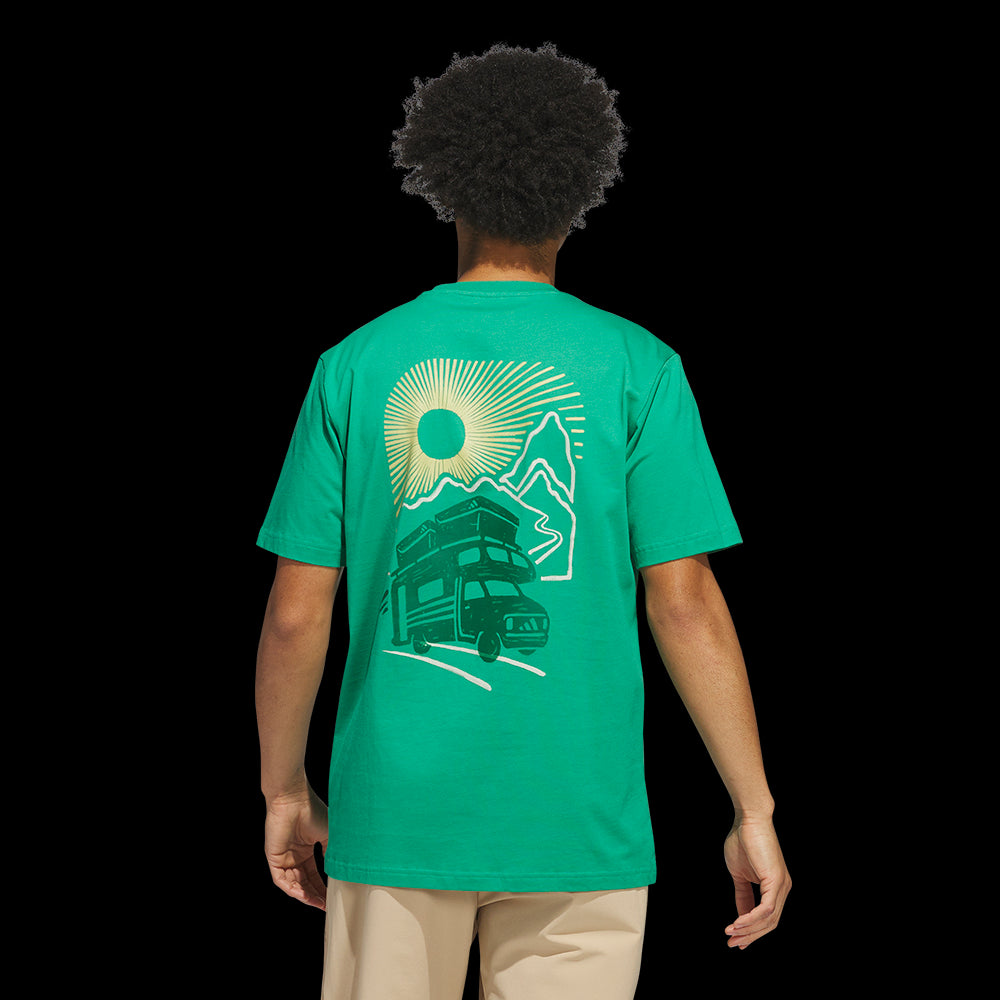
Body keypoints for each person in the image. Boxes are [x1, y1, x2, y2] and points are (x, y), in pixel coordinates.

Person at [255, 42, 790, 1000]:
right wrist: (753, 808)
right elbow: (685, 601)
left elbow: (298, 614)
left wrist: (284, 789)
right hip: (579, 823)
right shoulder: (639, 365)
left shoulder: (356, 363)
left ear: (444, 183)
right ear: (580, 191)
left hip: (395, 818)